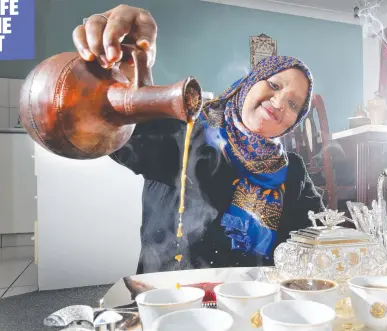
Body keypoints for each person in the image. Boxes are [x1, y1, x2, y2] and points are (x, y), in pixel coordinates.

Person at [72, 5, 325, 274]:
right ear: (248, 84)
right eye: (273, 85)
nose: (279, 102)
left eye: (294, 104)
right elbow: (107, 129)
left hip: (256, 305)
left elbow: (320, 233)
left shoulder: (292, 170)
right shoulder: (187, 132)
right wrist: (118, 81)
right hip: (174, 298)